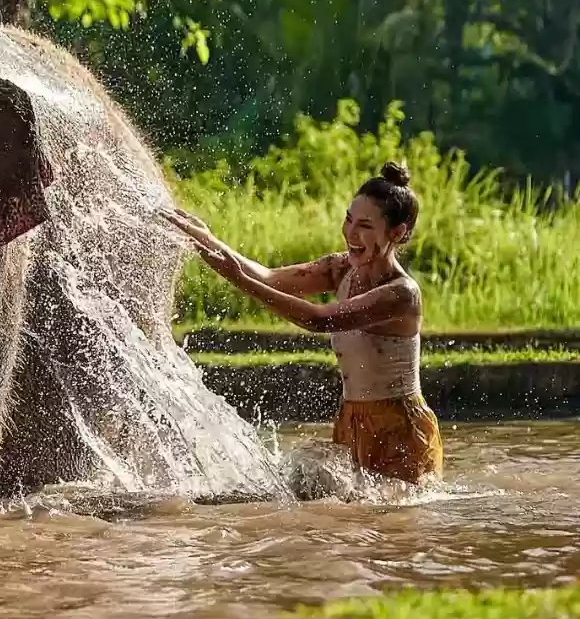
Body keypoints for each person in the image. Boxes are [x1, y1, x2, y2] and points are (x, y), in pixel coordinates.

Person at [161, 161, 444, 485]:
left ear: (397, 233)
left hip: (400, 426)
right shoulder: (339, 269)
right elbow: (269, 276)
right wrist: (208, 239)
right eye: (349, 219)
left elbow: (318, 320)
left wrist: (238, 279)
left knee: (394, 525)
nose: (351, 233)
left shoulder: (402, 294)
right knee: (354, 525)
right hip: (352, 419)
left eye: (365, 226)